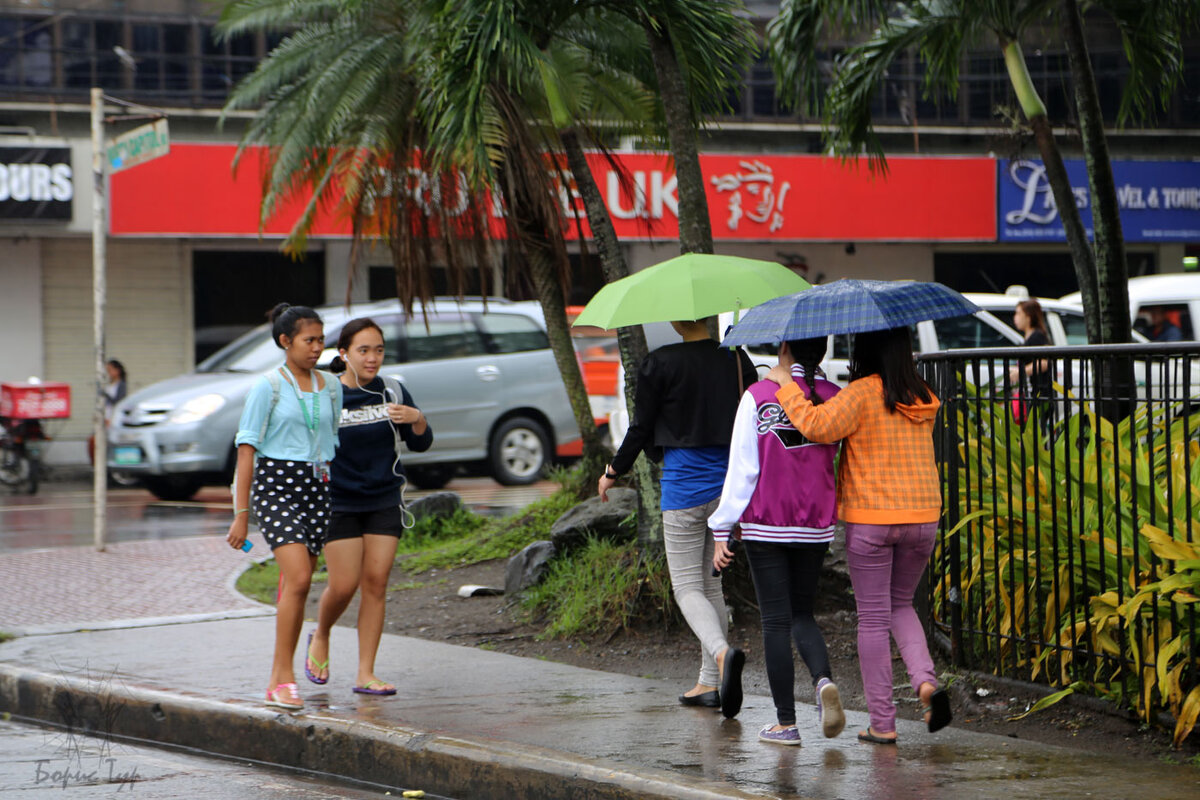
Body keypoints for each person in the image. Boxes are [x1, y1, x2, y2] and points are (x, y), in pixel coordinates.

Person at [765, 326, 952, 745]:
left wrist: (784, 385)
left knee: (873, 618)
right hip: (923, 515)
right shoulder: (921, 395)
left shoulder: (863, 393)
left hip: (873, 518)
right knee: (902, 605)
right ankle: (925, 684)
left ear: (865, 348)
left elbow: (815, 425)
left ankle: (883, 723)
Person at [598, 317, 756, 719]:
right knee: (711, 586)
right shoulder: (736, 359)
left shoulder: (660, 363)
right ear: (709, 317)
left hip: (684, 487)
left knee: (686, 586)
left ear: (675, 319)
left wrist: (613, 471)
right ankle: (708, 682)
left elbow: (641, 427)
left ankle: (721, 657)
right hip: (727, 490)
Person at [709, 337, 845, 746]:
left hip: (766, 522)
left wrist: (722, 528)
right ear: (821, 352)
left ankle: (786, 723)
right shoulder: (836, 397)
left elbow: (743, 469)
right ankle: (822, 682)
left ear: (784, 345)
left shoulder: (758, 395)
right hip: (815, 525)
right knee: (803, 614)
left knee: (775, 621)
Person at [306, 318, 432, 695]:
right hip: (338, 501)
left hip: (383, 498)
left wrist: (418, 419)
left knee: (376, 584)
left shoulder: (392, 390)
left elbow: (421, 444)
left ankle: (366, 673)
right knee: (344, 585)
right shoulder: (325, 394)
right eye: (363, 350)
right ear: (344, 354)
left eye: (378, 349)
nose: (372, 358)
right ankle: (322, 632)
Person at [226, 303, 341, 711]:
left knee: (301, 581)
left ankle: (279, 678)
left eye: (321, 340)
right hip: (276, 487)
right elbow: (246, 450)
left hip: (318, 487)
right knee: (296, 578)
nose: (316, 348)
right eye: (309, 340)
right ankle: (283, 679)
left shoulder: (331, 385)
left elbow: (331, 439)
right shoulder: (268, 387)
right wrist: (242, 514)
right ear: (285, 341)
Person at [1009, 299, 1052, 427]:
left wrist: (1021, 371)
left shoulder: (1037, 336)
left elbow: (1044, 362)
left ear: (1028, 317)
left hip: (1040, 393)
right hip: (1034, 392)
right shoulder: (1031, 336)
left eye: (1018, 313)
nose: (1015, 317)